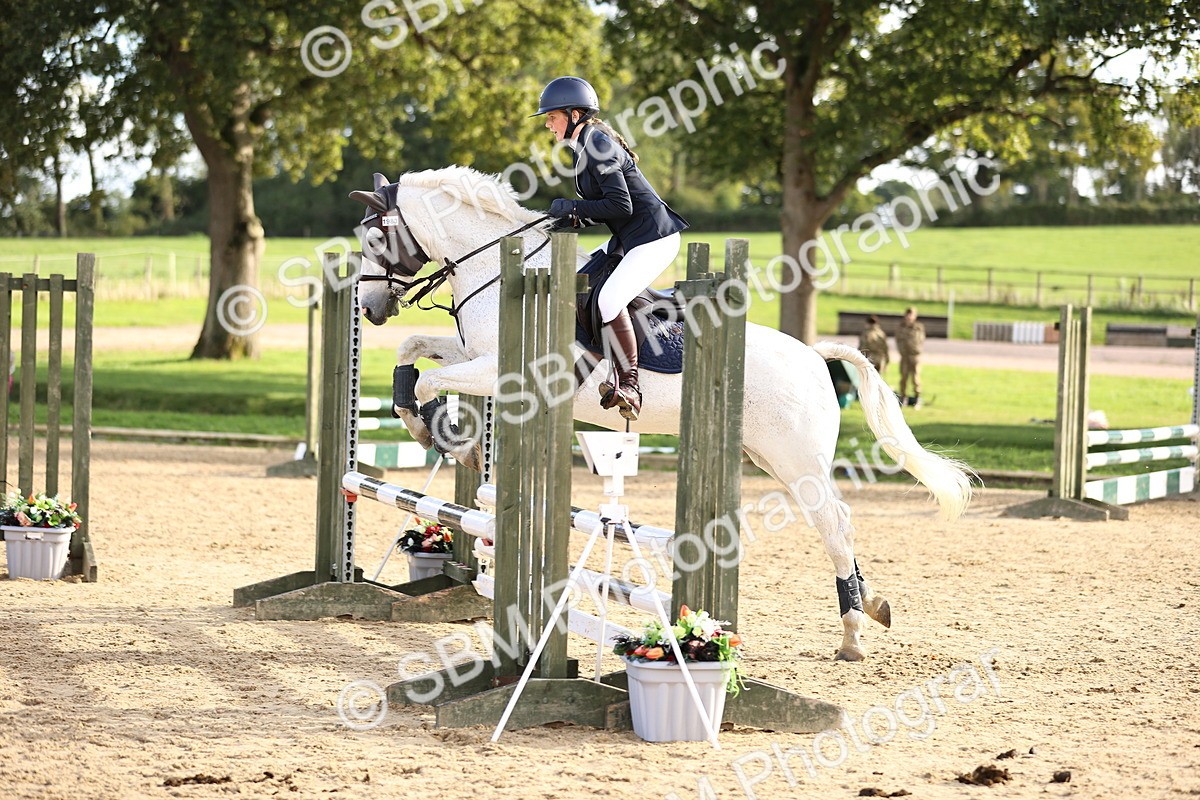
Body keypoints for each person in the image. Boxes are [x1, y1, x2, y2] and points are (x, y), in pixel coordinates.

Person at [533, 76, 688, 421]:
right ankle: (589, 363)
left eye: (552, 116)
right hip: (629, 239)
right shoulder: (587, 144)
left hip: (654, 238)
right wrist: (562, 219)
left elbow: (621, 206)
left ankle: (630, 385)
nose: (547, 124)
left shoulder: (598, 144)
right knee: (581, 285)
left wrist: (573, 209)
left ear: (574, 114)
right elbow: (607, 209)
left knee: (608, 299)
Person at [895, 307, 926, 408]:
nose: (909, 317)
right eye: (908, 314)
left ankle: (917, 398)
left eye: (911, 314)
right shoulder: (901, 327)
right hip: (905, 356)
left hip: (914, 356)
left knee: (915, 378)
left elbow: (920, 340)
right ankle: (903, 398)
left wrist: (915, 350)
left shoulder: (918, 327)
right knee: (903, 378)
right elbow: (898, 340)